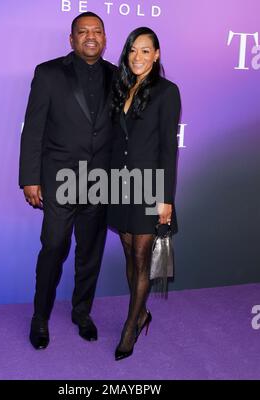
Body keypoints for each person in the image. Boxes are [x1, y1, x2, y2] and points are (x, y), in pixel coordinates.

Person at [19, 12, 117, 349]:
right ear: (72, 39)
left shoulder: (118, 77)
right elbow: (33, 130)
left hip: (102, 183)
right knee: (54, 249)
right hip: (60, 181)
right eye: (83, 31)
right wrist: (30, 179)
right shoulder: (48, 74)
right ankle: (40, 317)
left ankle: (81, 312)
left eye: (97, 31)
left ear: (105, 38)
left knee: (90, 254)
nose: (91, 36)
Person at [108, 27, 181, 360]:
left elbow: (168, 148)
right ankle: (141, 313)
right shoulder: (121, 86)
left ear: (157, 54)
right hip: (120, 185)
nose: (138, 57)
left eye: (145, 50)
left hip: (149, 186)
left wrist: (165, 199)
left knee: (140, 259)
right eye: (132, 50)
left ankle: (130, 327)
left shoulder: (167, 92)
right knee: (129, 257)